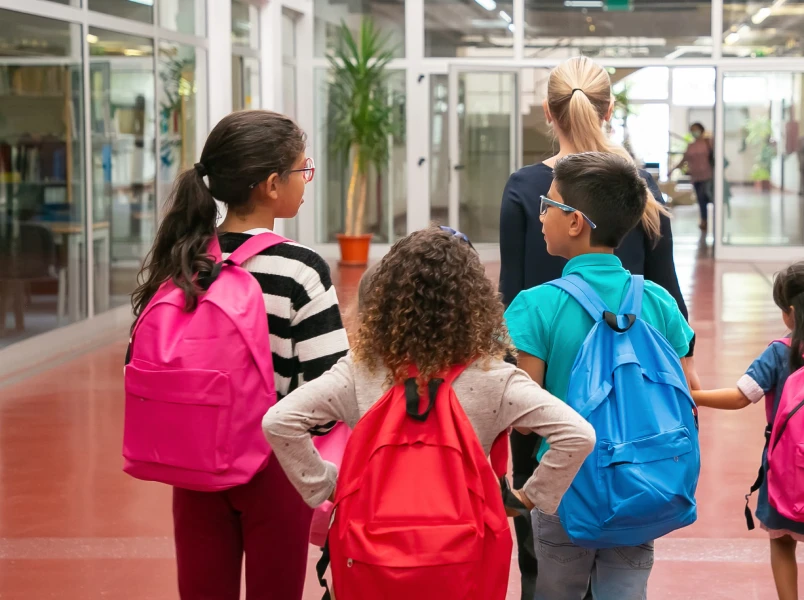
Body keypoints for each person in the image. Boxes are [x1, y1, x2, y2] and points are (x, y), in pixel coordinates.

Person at [260, 226, 596, 572]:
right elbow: (577, 435)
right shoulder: (495, 378)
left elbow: (279, 422)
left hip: (372, 557)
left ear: (386, 300)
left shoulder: (359, 373)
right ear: (474, 305)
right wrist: (528, 498)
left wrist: (328, 487)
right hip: (460, 559)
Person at [498, 56, 696, 597]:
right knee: (626, 558)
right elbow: (671, 302)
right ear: (609, 110)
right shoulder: (637, 188)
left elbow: (509, 291)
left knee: (551, 563)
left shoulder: (525, 188)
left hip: (550, 411)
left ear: (548, 112)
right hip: (636, 436)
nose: (545, 213)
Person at [130, 110, 347, 600]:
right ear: (272, 184)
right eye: (302, 170)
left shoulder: (184, 258)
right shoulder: (300, 268)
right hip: (275, 465)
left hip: (193, 462)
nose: (305, 180)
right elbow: (331, 384)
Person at [692, 260, 804, 600]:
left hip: (788, 467)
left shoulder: (779, 353)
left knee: (782, 541)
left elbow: (741, 397)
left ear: (791, 313)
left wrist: (693, 396)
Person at [671, 122, 715, 231]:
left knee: (708, 198)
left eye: (696, 129)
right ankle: (704, 220)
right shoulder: (691, 146)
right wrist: (672, 170)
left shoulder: (708, 143)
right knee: (701, 199)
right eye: (692, 130)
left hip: (708, 176)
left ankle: (713, 220)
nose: (694, 132)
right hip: (696, 177)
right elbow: (684, 160)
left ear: (701, 130)